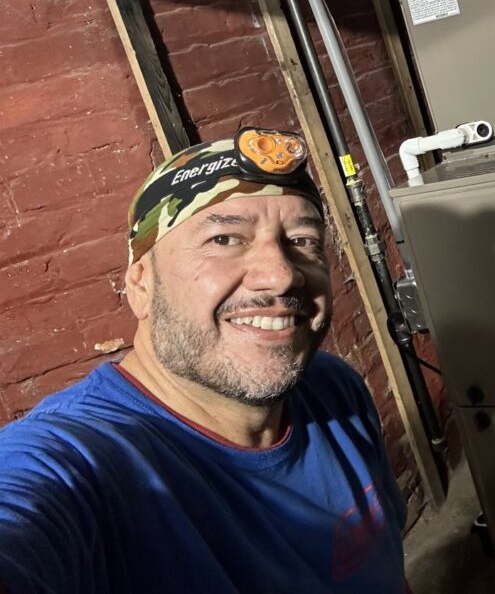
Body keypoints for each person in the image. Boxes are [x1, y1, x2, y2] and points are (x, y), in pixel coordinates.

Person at [0, 128, 408, 593]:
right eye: (225, 239)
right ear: (141, 287)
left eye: (303, 241)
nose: (280, 275)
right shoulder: (81, 460)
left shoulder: (335, 388)